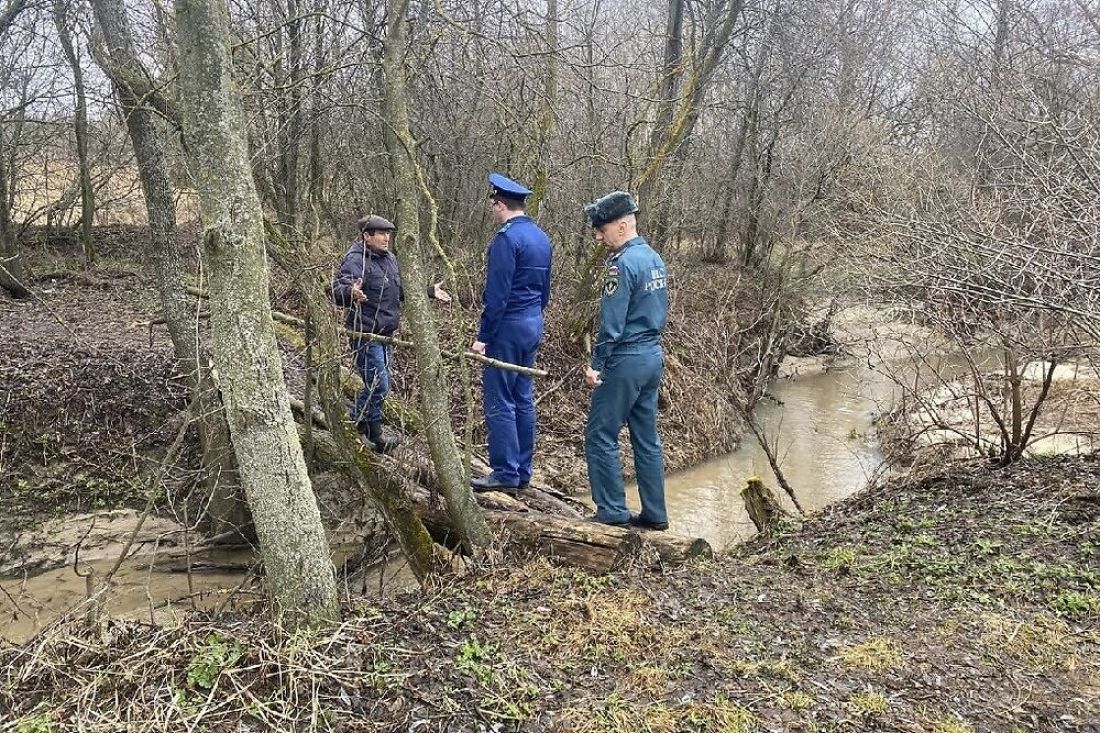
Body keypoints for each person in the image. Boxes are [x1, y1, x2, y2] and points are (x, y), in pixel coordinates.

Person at [582, 191, 670, 531]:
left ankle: (612, 512)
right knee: (646, 438)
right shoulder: (654, 258)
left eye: (603, 230)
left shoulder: (621, 264)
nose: (599, 237)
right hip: (652, 357)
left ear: (623, 225)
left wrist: (596, 364)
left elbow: (612, 324)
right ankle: (655, 514)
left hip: (626, 359)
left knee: (600, 435)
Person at [331, 214, 449, 453]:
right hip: (365, 333)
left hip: (387, 334)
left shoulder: (390, 259)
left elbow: (398, 291)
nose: (387, 238)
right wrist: (351, 292)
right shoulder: (356, 260)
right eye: (381, 234)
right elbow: (337, 291)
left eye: (389, 234)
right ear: (367, 236)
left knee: (381, 384)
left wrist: (428, 291)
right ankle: (350, 426)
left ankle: (372, 432)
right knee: (378, 384)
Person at [470, 173, 553, 494]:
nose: (492, 210)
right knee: (523, 397)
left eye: (493, 205)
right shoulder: (541, 238)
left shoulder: (506, 240)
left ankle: (505, 472)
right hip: (532, 323)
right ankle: (523, 471)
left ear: (501, 204)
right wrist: (533, 316)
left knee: (499, 398)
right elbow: (545, 291)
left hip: (506, 327)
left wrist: (484, 336)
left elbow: (497, 296)